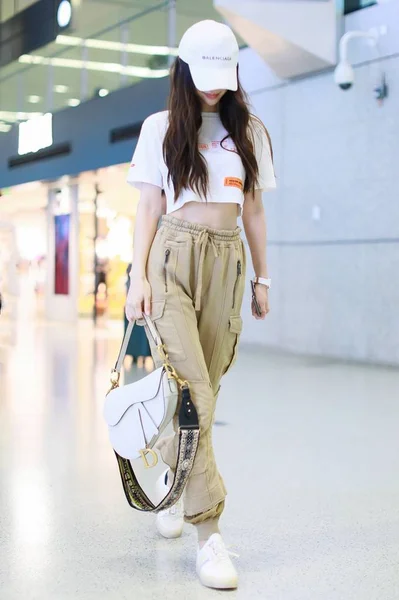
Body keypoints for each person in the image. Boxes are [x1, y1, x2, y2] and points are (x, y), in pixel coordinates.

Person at [125, 19, 276, 590]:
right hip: (171, 259)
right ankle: (210, 538)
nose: (214, 88)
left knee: (202, 395)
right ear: (183, 71)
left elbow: (255, 212)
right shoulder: (160, 128)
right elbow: (146, 209)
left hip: (228, 264)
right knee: (196, 393)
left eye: (224, 77)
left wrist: (265, 278)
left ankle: (171, 461)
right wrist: (135, 277)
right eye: (203, 77)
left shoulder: (250, 132)